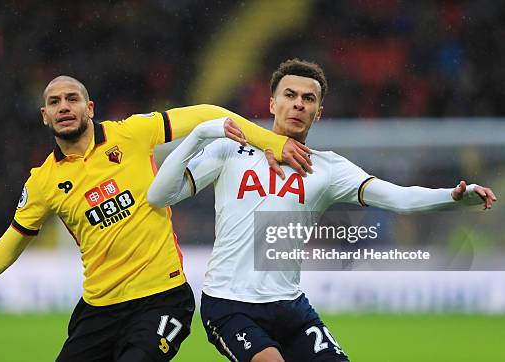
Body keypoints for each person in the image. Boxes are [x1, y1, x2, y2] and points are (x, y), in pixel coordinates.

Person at [0, 75, 315, 362]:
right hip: (98, 311)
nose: (64, 107)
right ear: (45, 116)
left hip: (162, 301)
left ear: (89, 107)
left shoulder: (130, 134)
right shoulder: (43, 183)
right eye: (54, 102)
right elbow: (6, 249)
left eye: (72, 99)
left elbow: (205, 112)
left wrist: (270, 141)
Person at [147, 59, 497, 362]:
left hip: (290, 306)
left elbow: (398, 198)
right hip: (229, 304)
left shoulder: (328, 169)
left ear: (319, 111)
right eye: (290, 95)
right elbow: (159, 196)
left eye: (308, 98)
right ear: (271, 104)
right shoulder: (229, 150)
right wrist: (199, 135)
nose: (298, 104)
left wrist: (452, 197)